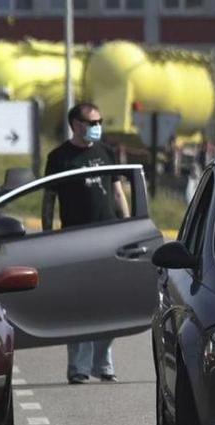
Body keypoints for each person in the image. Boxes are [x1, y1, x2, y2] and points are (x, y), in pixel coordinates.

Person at [42, 102, 129, 385]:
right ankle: (78, 367)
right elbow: (48, 198)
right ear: (76, 125)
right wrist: (47, 233)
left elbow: (118, 192)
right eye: (92, 122)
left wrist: (130, 226)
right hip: (75, 241)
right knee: (80, 306)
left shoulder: (106, 152)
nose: (97, 127)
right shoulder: (59, 158)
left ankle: (103, 364)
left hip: (109, 238)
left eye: (99, 122)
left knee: (109, 305)